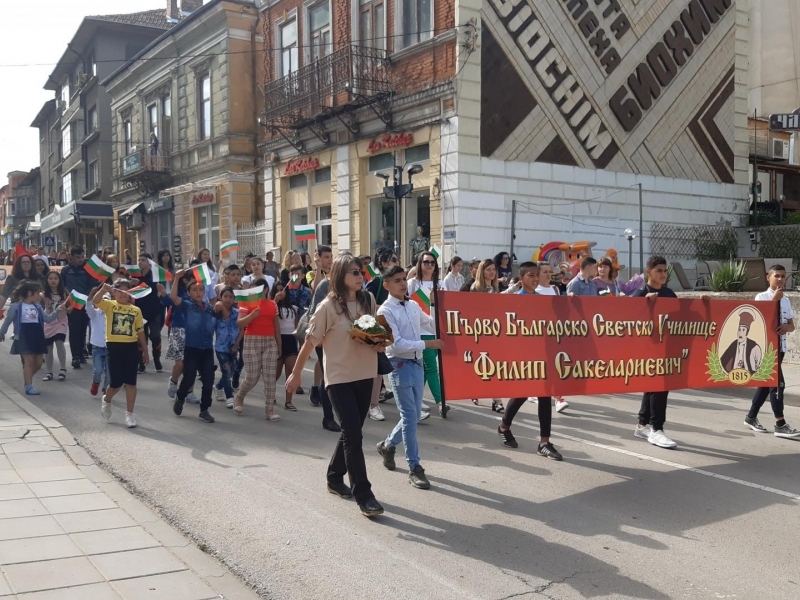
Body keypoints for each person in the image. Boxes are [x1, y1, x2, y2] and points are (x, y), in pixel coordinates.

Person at [286, 254, 385, 517]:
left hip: (365, 374)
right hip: (339, 378)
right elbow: (310, 342)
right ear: (340, 275)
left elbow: (371, 333)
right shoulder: (327, 307)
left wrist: (380, 342)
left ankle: (333, 477)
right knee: (354, 434)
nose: (360, 276)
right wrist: (295, 375)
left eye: (361, 271)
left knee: (351, 432)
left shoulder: (368, 300)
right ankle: (364, 495)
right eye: (354, 272)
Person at [376, 265, 445, 489]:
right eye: (397, 280)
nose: (403, 283)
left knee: (413, 416)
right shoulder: (385, 311)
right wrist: (429, 343)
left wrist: (448, 317)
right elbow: (396, 346)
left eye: (404, 279)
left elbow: (431, 323)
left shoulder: (413, 304)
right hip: (400, 365)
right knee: (409, 416)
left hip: (416, 365)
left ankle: (387, 445)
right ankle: (414, 467)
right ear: (386, 285)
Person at [495, 262, 563, 459]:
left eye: (537, 275)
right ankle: (504, 426)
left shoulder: (544, 300)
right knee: (522, 393)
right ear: (522, 277)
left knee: (544, 395)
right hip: (523, 355)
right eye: (530, 275)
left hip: (543, 354)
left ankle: (544, 442)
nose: (535, 279)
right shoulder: (515, 300)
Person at [745, 265, 800, 438]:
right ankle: (780, 423)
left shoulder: (785, 299)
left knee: (765, 384)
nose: (780, 279)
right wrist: (774, 300)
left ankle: (751, 417)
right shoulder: (761, 297)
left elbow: (792, 325)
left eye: (783, 276)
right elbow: (760, 322)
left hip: (780, 348)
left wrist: (786, 327)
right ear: (768, 277)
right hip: (766, 349)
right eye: (776, 276)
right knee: (777, 384)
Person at [631, 256, 678, 449]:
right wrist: (645, 305)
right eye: (658, 270)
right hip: (646, 349)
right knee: (659, 386)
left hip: (665, 348)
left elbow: (682, 320)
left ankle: (643, 425)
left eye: (665, 271)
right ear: (648, 272)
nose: (663, 274)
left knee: (653, 386)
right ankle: (656, 429)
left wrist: (703, 304)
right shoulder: (640, 293)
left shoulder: (669, 293)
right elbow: (628, 321)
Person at [92, 279, 147, 428]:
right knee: (116, 383)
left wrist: (145, 350)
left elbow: (140, 331)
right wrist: (103, 290)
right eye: (120, 291)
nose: (123, 294)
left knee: (131, 382)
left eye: (126, 291)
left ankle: (129, 414)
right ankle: (107, 399)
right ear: (114, 292)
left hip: (131, 347)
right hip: (114, 346)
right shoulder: (110, 306)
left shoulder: (136, 310)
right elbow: (95, 301)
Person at [0, 281, 65, 395]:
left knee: (38, 363)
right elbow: (7, 321)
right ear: (30, 293)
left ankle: (27, 379)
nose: (39, 295)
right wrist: (2, 332)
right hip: (23, 336)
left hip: (38, 335)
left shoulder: (38, 307)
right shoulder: (16, 307)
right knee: (28, 361)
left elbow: (48, 319)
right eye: (37, 292)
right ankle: (29, 386)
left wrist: (58, 310)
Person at [232, 278, 282, 421]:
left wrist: (279, 345)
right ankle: (240, 397)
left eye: (256, 289)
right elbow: (240, 323)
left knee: (270, 377)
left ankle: (269, 410)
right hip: (251, 341)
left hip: (269, 342)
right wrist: (252, 315)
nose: (253, 292)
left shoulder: (273, 304)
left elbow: (276, 326)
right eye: (252, 289)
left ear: (265, 290)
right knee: (252, 376)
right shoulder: (246, 303)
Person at [170, 273, 216, 423]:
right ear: (189, 293)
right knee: (189, 377)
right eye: (195, 290)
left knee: (208, 380)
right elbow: (174, 298)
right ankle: (180, 397)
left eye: (201, 290)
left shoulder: (209, 308)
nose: (198, 292)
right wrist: (176, 279)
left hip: (207, 349)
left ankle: (204, 410)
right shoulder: (187, 305)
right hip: (192, 348)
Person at [407, 251, 447, 418]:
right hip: (419, 329)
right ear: (420, 264)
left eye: (432, 262)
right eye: (426, 262)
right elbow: (407, 303)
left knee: (422, 367)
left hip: (436, 328)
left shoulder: (441, 283)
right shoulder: (412, 283)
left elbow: (446, 305)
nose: (429, 265)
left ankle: (415, 401)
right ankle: (440, 402)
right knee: (431, 366)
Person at [532, 262, 570, 413]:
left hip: (554, 333)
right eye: (545, 272)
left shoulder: (555, 288)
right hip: (538, 334)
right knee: (542, 366)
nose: (548, 275)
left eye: (549, 272)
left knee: (556, 365)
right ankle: (538, 391)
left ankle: (558, 398)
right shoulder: (533, 290)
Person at [308, 246, 338, 429]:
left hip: (340, 339)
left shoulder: (350, 287)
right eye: (326, 257)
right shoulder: (324, 284)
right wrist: (318, 268)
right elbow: (315, 313)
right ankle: (328, 417)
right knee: (329, 376)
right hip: (323, 338)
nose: (330, 260)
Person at [467, 259, 503, 411]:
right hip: (480, 331)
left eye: (493, 269)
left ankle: (497, 400)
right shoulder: (476, 288)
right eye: (488, 269)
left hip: (493, 331)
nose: (492, 272)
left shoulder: (495, 287)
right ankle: (475, 390)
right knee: (481, 364)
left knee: (494, 366)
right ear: (482, 271)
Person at [61, 246, 94, 368]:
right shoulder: (65, 270)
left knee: (83, 329)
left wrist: (86, 296)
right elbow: (62, 285)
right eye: (77, 257)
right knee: (74, 330)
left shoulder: (88, 269)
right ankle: (75, 356)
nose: (80, 259)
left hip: (85, 302)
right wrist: (70, 295)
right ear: (71, 257)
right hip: (72, 303)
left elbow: (92, 285)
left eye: (82, 256)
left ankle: (81, 353)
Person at [271, 281, 300, 412]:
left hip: (290, 340)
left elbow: (297, 326)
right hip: (277, 339)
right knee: (274, 374)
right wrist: (275, 301)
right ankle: (270, 396)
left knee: (290, 372)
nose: (280, 292)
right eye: (277, 290)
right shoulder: (272, 306)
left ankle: (289, 401)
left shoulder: (293, 308)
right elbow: (269, 316)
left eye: (282, 289)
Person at [132, 255, 163, 373]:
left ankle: (157, 360)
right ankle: (141, 363)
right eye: (139, 260)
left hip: (154, 310)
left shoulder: (155, 274)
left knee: (155, 336)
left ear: (149, 263)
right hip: (139, 311)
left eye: (143, 260)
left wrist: (140, 282)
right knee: (140, 338)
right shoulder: (135, 275)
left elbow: (154, 288)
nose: (140, 262)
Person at [213, 286, 241, 409]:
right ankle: (229, 396)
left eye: (231, 297)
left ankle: (218, 387)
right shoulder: (216, 312)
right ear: (220, 297)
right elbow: (211, 329)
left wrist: (236, 345)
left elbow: (242, 329)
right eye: (225, 296)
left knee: (231, 370)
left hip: (233, 348)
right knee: (226, 371)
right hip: (221, 348)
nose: (228, 299)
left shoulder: (237, 313)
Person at [42, 271, 71, 383]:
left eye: (55, 278)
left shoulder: (65, 294)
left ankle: (63, 369)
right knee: (48, 347)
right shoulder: (43, 294)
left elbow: (71, 308)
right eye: (50, 278)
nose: (53, 280)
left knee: (59, 342)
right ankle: (49, 372)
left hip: (61, 322)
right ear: (47, 280)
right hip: (48, 322)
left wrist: (68, 309)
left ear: (59, 280)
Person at [85, 285, 110, 397]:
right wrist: (91, 294)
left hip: (110, 347)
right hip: (98, 346)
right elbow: (88, 306)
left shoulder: (113, 314)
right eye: (101, 300)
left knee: (109, 373)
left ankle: (106, 390)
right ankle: (96, 383)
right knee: (98, 370)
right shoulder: (94, 314)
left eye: (106, 300)